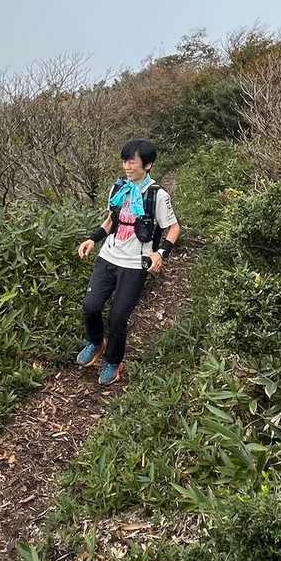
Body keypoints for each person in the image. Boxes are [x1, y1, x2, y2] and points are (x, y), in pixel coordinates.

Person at [75, 137, 180, 386]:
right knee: (90, 306)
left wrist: (160, 253)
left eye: (132, 162)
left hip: (134, 264)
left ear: (148, 165)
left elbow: (174, 228)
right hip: (108, 257)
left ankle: (113, 361)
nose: (127, 166)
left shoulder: (157, 195)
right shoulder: (118, 188)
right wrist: (92, 239)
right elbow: (111, 220)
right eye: (124, 161)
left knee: (118, 317)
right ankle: (96, 342)